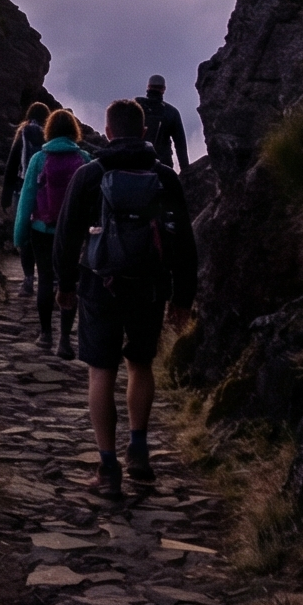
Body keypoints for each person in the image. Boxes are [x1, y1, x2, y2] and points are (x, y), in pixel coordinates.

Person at [54, 99, 199, 499]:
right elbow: (184, 243)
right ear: (144, 131)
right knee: (140, 363)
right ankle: (138, 449)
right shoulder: (165, 178)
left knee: (101, 372)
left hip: (100, 285)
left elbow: (67, 237)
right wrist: (182, 297)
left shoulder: (90, 175)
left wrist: (64, 284)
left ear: (110, 131)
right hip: (149, 285)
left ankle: (107, 466)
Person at [10, 109, 87, 355]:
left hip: (41, 229)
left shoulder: (39, 159)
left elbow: (26, 199)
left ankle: (45, 335)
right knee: (68, 282)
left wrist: (20, 235)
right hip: (73, 232)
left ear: (49, 130)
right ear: (74, 131)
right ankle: (65, 339)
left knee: (44, 279)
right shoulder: (85, 158)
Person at [0, 101, 51, 291]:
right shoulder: (50, 136)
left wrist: (5, 197)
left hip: (22, 189)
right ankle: (48, 278)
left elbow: (12, 166)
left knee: (25, 235)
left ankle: (28, 278)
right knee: (44, 234)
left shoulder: (23, 134)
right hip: (45, 191)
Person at [140, 74, 192, 172]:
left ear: (148, 87)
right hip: (162, 167)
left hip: (135, 165)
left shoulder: (135, 106)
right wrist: (185, 171)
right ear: (164, 89)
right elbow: (180, 145)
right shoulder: (172, 112)